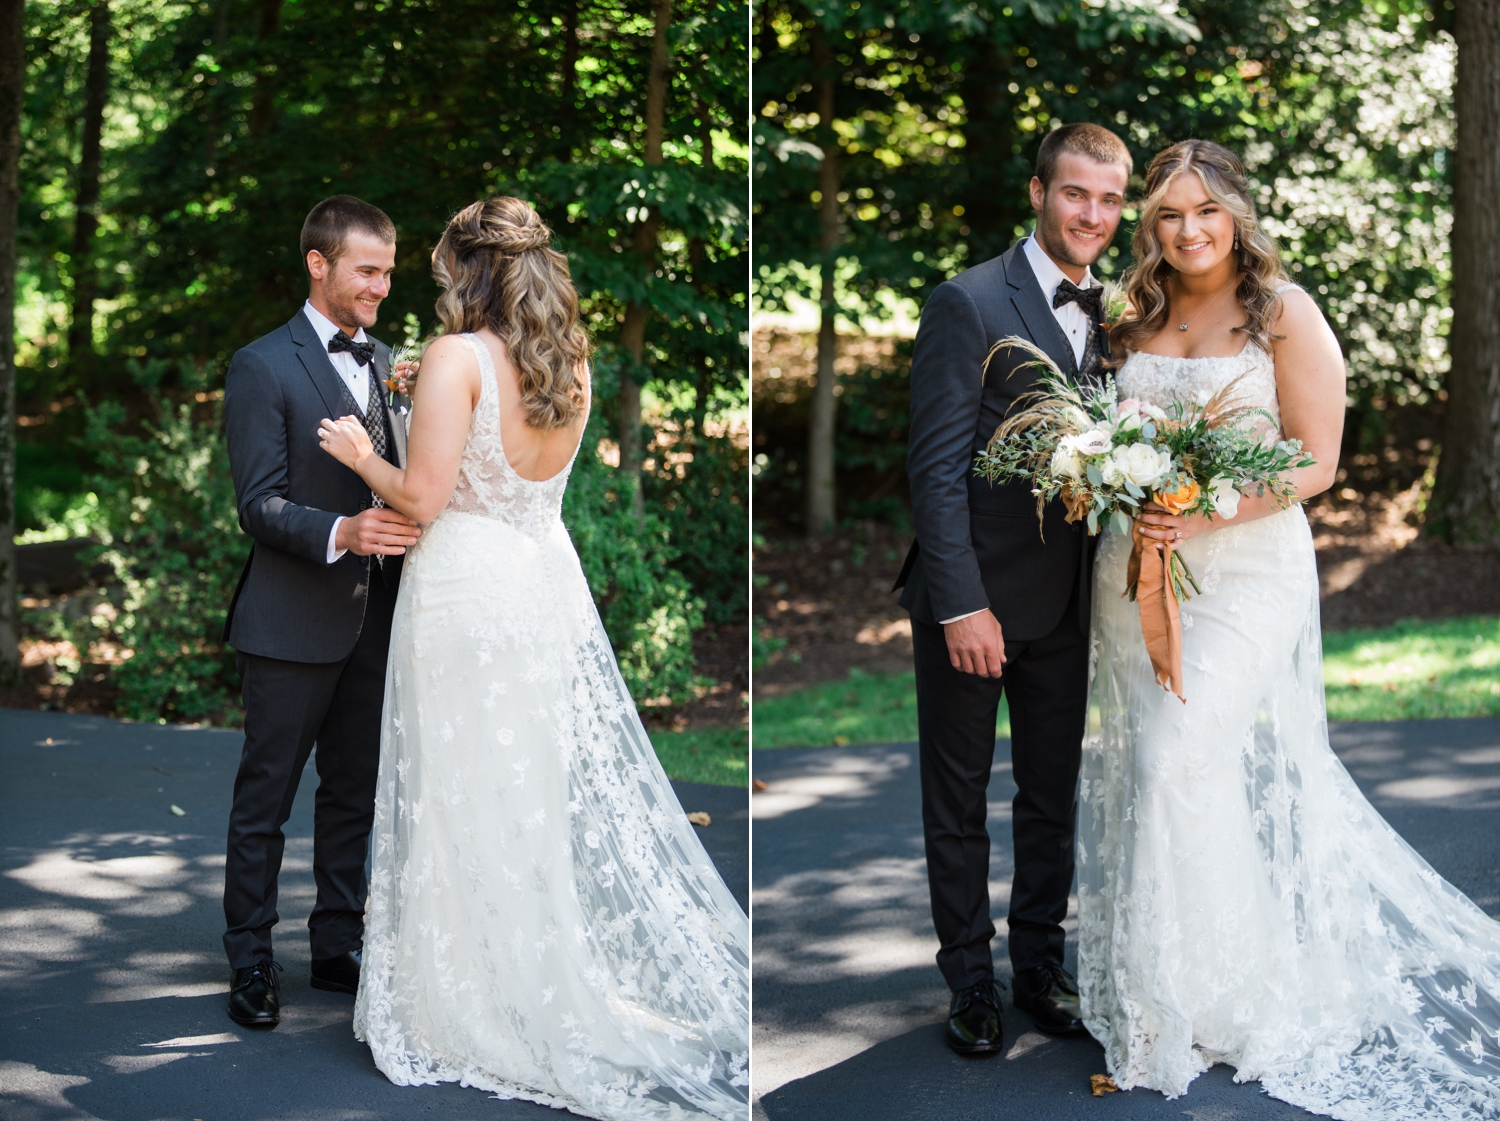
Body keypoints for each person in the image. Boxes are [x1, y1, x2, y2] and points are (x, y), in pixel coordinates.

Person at [1080, 138, 1500, 1117]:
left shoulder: (1283, 312)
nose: (1188, 231)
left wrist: (1205, 507)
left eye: (1206, 211)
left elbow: (1316, 462)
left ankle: (1214, 995)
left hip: (1246, 571)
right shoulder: (1129, 314)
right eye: (1170, 214)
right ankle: (1183, 991)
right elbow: (1094, 435)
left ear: (1237, 213)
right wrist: (1111, 485)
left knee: (1183, 751)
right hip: (1133, 569)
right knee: (1173, 771)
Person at [316, 197, 749, 1120]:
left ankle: (464, 1003)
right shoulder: (571, 364)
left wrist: (361, 453)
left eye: (439, 275)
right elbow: (511, 465)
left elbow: (425, 498)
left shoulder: (454, 357)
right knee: (525, 793)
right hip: (542, 582)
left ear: (468, 272)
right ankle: (533, 976)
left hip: (466, 591)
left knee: (461, 786)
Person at [894, 122, 1130, 1054]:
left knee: (1051, 792)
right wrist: (961, 602)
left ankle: (1040, 965)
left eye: (1111, 200)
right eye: (1078, 194)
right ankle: (970, 979)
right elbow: (936, 466)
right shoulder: (968, 301)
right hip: (975, 598)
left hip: (1073, 599)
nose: (1094, 216)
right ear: (1038, 194)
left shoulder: (1118, 310)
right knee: (957, 801)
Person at [220, 196, 422, 1029]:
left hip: (380, 617)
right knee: (264, 798)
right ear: (319, 263)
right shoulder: (261, 364)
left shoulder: (386, 362)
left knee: (354, 790)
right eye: (367, 270)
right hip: (289, 621)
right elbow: (257, 505)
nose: (381, 286)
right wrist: (343, 527)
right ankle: (252, 958)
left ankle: (338, 944)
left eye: (387, 270)